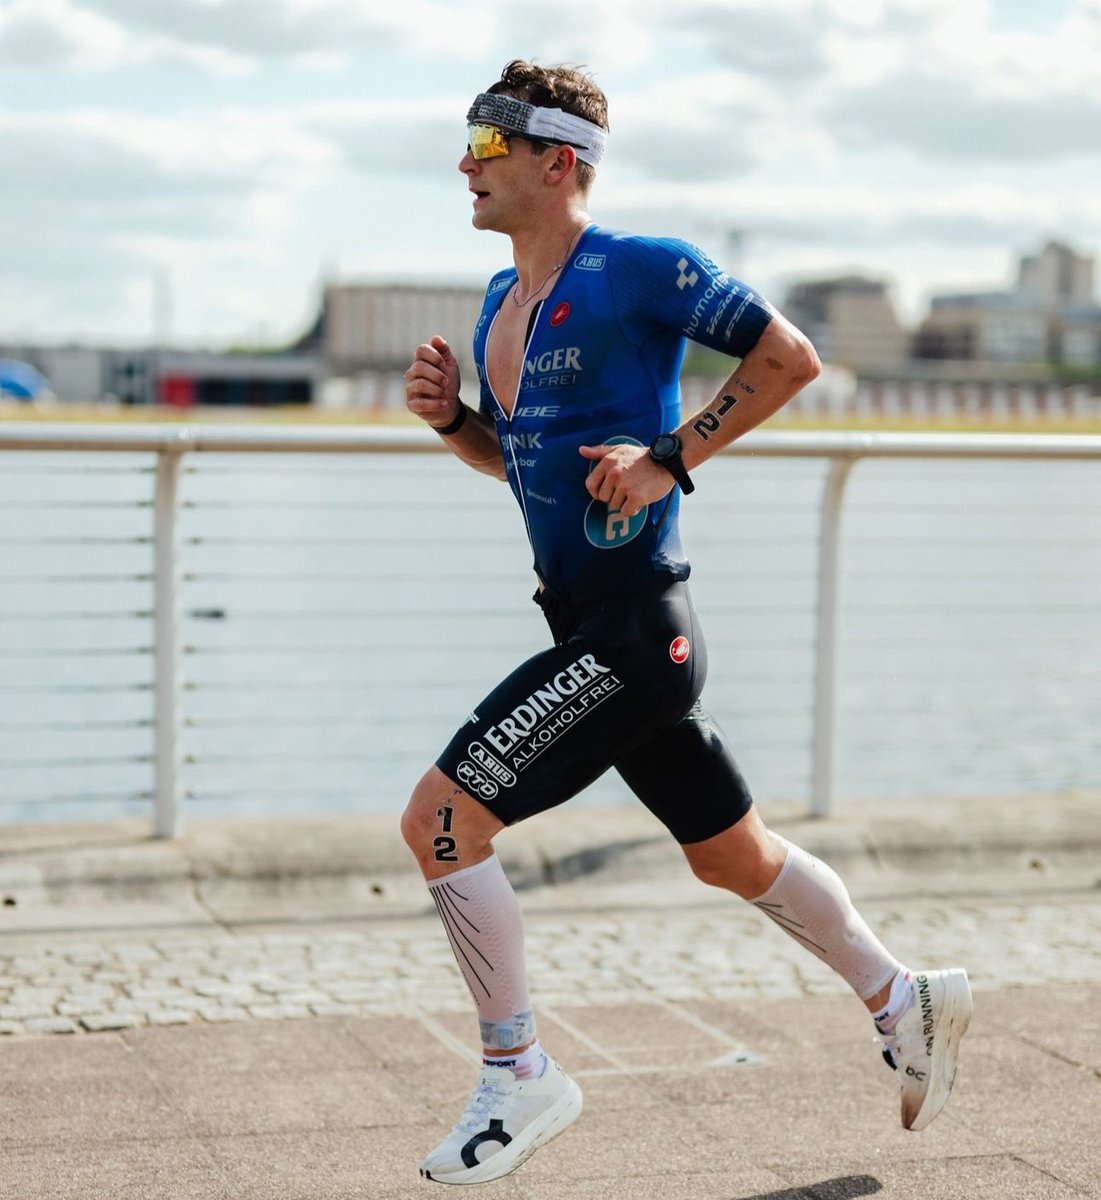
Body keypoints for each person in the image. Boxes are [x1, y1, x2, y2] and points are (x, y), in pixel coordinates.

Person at [401, 59, 971, 1187]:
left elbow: (789, 357)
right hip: (589, 631)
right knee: (731, 857)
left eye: (488, 145)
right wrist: (455, 421)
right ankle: (904, 997)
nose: (464, 165)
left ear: (558, 161)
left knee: (443, 823)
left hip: (635, 632)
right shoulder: (499, 300)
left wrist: (670, 457)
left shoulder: (638, 268)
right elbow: (525, 468)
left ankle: (519, 1073)